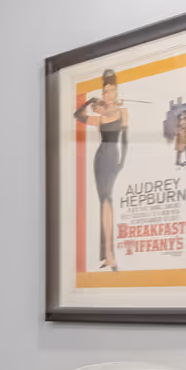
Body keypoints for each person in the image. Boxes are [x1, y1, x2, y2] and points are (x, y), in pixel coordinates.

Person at [74, 70, 127, 271]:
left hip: (113, 155)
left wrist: (122, 161)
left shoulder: (121, 112)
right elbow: (78, 116)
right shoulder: (100, 117)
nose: (108, 95)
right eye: (105, 92)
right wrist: (89, 103)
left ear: (116, 91)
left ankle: (110, 255)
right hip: (100, 157)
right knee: (104, 201)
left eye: (111, 91)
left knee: (107, 201)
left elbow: (126, 138)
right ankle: (108, 256)